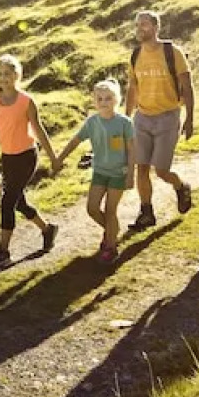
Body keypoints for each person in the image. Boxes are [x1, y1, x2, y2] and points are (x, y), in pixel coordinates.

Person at [0, 53, 59, 270]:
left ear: (17, 75)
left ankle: (3, 252)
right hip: (8, 159)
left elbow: (39, 131)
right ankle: (47, 230)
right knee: (19, 203)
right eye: (0, 74)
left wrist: (53, 158)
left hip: (26, 157)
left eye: (8, 74)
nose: (4, 78)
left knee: (7, 202)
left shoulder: (26, 101)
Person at [124, 9, 195, 231]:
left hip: (168, 116)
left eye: (144, 24)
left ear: (156, 28)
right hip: (142, 118)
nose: (140, 29)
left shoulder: (172, 52)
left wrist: (190, 117)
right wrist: (126, 120)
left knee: (162, 171)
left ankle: (181, 186)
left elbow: (187, 85)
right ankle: (146, 212)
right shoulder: (135, 55)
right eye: (137, 25)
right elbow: (132, 89)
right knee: (141, 168)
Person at [52, 78, 136, 263]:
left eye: (108, 98)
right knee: (92, 208)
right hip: (100, 171)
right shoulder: (92, 122)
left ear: (116, 100)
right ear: (94, 101)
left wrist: (131, 175)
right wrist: (59, 158)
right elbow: (75, 141)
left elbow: (132, 150)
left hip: (118, 174)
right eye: (99, 99)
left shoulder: (124, 123)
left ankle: (111, 247)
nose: (104, 102)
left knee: (110, 209)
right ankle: (111, 231)